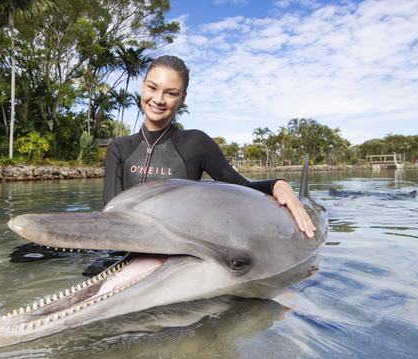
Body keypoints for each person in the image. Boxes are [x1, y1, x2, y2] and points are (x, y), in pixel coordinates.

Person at [103, 55, 315, 238]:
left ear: (182, 99)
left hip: (177, 251)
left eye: (171, 93)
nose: (158, 99)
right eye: (152, 88)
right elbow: (108, 215)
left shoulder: (196, 143)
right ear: (143, 86)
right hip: (123, 248)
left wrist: (276, 184)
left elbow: (241, 187)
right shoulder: (119, 148)